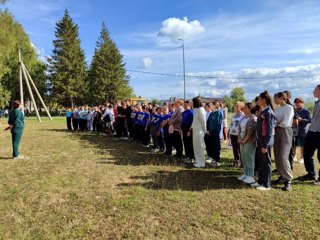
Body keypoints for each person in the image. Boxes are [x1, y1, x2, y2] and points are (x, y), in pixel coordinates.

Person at [251, 91, 276, 191]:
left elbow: (269, 130)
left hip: (266, 141)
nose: (258, 101)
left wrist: (265, 145)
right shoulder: (263, 111)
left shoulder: (268, 112)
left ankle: (266, 184)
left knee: (266, 163)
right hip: (261, 140)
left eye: (260, 99)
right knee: (261, 162)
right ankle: (261, 181)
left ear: (264, 100)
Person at [272, 92, 294, 191]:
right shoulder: (278, 109)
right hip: (276, 133)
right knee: (277, 155)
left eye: (275, 98)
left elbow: (285, 123)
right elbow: (274, 121)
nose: (274, 100)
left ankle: (288, 180)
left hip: (286, 133)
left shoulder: (289, 108)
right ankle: (282, 176)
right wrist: (277, 122)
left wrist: (277, 122)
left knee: (284, 156)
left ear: (281, 98)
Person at [299, 85, 320, 184]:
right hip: (311, 131)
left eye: (315, 90)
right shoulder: (317, 103)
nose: (313, 92)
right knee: (307, 153)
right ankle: (311, 174)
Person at [237, 102, 257, 185]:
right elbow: (239, 128)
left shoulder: (253, 118)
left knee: (249, 157)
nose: (243, 109)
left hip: (249, 139)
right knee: (244, 156)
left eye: (245, 108)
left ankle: (251, 175)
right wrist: (239, 137)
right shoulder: (243, 117)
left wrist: (245, 140)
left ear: (250, 108)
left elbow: (251, 131)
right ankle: (245, 173)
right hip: (242, 138)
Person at [293, 97, 312, 164]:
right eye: (296, 102)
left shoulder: (306, 111)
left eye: (298, 102)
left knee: (302, 145)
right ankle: (294, 156)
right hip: (295, 130)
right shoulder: (294, 110)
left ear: (302, 103)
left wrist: (302, 120)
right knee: (294, 144)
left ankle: (302, 158)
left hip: (303, 131)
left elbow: (310, 120)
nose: (297, 104)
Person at [206, 100, 223, 167]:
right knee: (212, 147)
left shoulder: (218, 113)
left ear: (215, 105)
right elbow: (208, 122)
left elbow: (218, 124)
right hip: (209, 133)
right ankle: (213, 159)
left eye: (212, 105)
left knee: (216, 147)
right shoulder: (211, 113)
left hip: (215, 133)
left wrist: (212, 131)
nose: (211, 106)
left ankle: (217, 161)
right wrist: (208, 130)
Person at [228, 101, 245, 167]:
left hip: (239, 134)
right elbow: (231, 123)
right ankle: (236, 161)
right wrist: (229, 131)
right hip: (232, 133)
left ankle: (242, 162)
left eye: (237, 105)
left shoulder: (243, 115)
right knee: (234, 148)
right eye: (235, 105)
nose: (235, 107)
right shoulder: (233, 114)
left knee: (240, 148)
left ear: (241, 107)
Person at [191, 97, 206, 168]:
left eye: (193, 102)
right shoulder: (196, 110)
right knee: (196, 146)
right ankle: (198, 161)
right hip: (195, 130)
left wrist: (205, 131)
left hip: (199, 131)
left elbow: (203, 122)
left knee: (200, 147)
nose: (192, 103)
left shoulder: (201, 110)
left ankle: (202, 162)